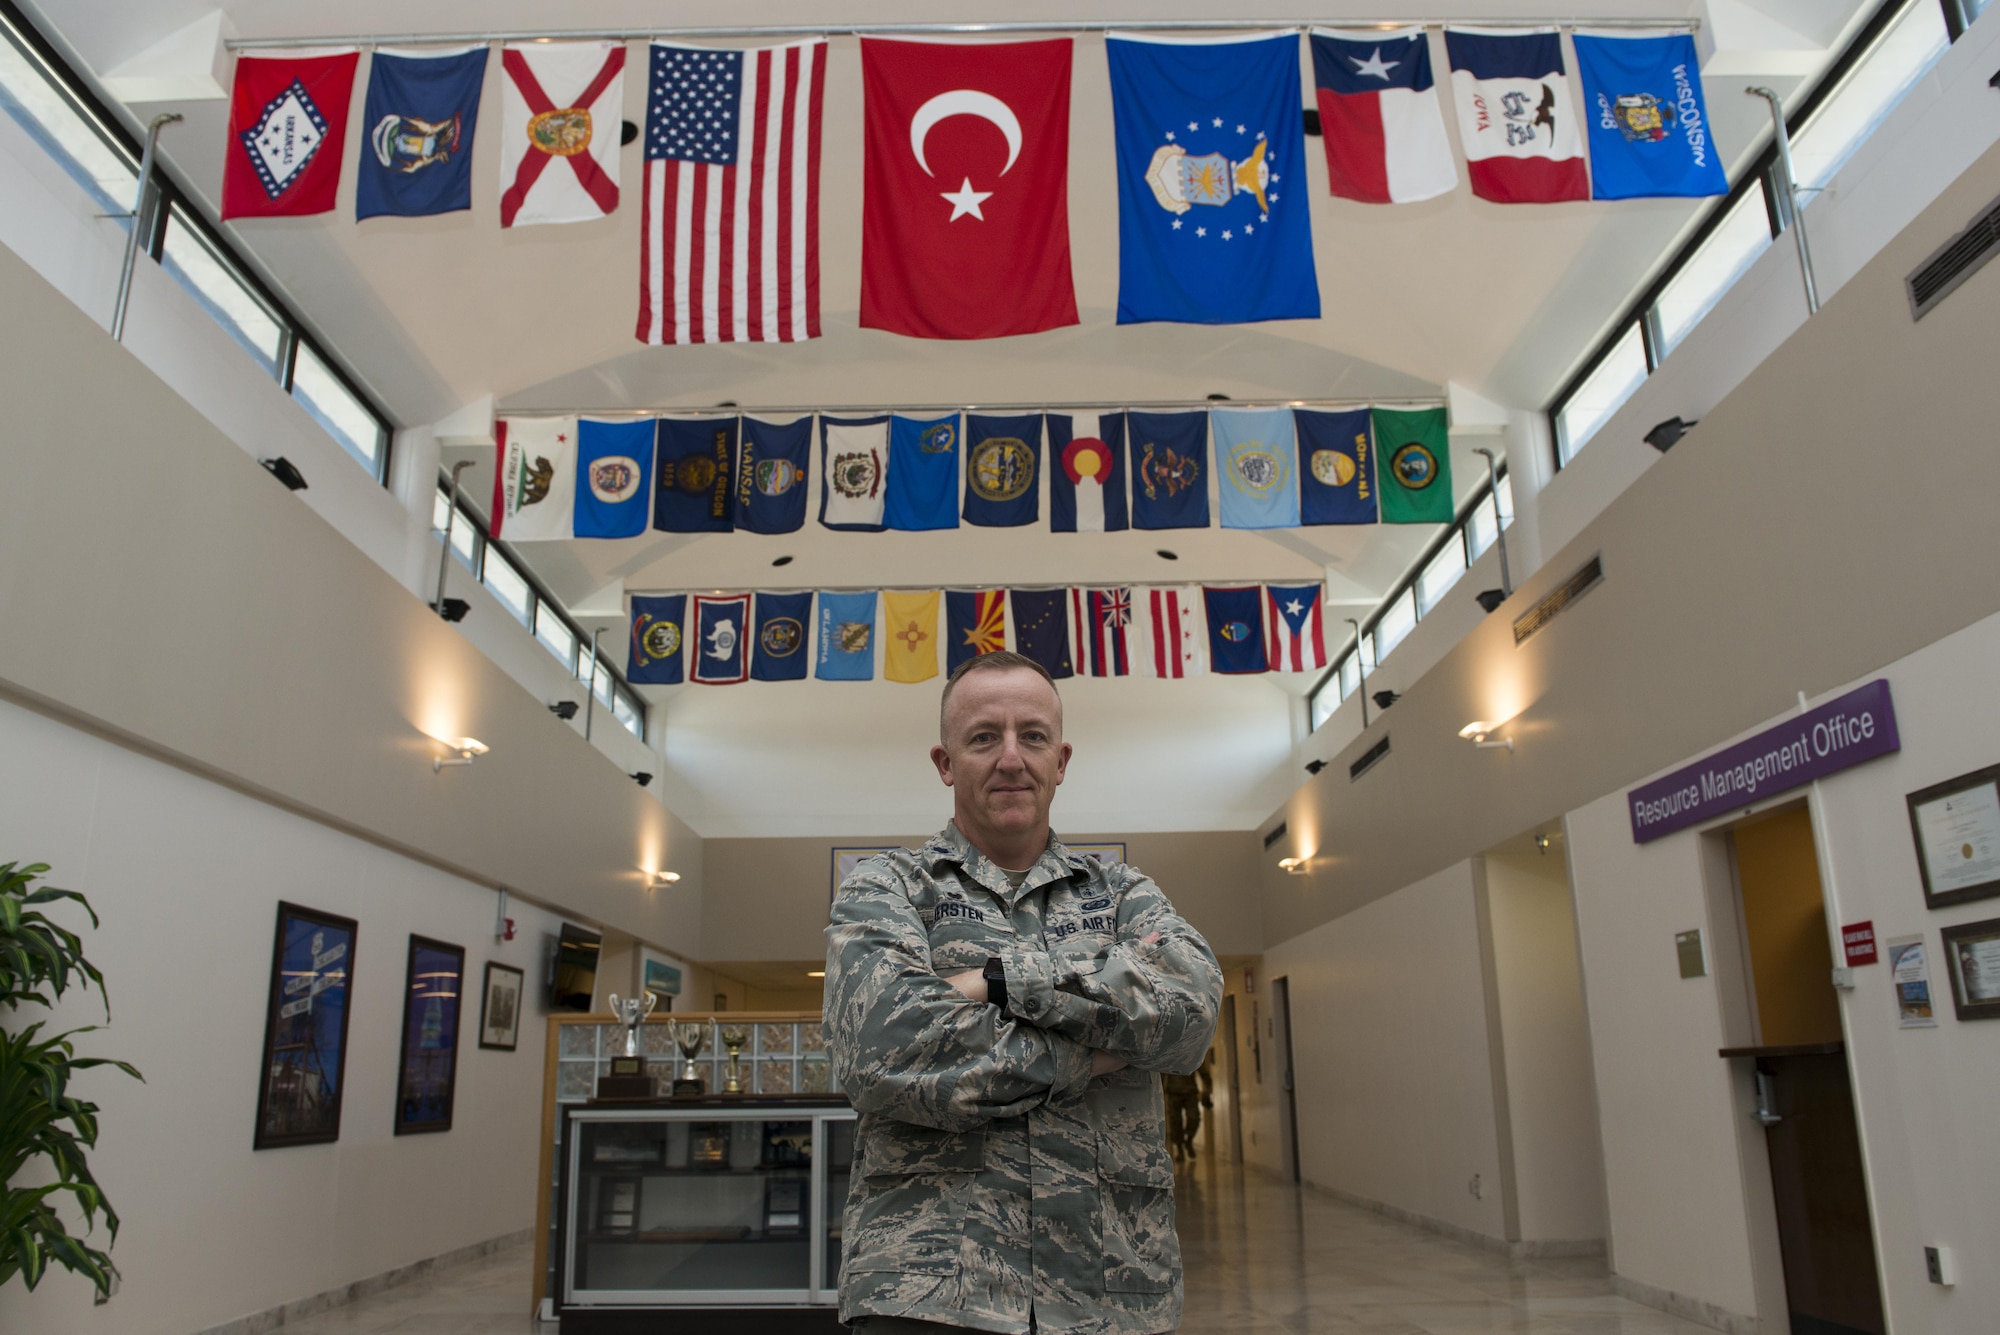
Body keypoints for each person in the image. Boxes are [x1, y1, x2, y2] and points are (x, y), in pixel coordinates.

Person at [825, 651, 1223, 1335]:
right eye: (984, 737)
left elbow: (1191, 1006)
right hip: (931, 1290)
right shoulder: (885, 887)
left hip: (1112, 1289)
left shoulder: (1124, 893)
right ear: (945, 761)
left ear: (1061, 759)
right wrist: (1093, 1050)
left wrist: (1001, 980)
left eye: (1032, 735)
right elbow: (882, 1047)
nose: (1011, 757)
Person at [1161, 1048, 1214, 1162]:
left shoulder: (1193, 1052)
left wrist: (1208, 1088)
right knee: (1176, 1122)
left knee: (1194, 1118)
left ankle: (1188, 1140)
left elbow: (1203, 1070)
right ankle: (1180, 1149)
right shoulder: (1170, 1053)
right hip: (1173, 1092)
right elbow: (1162, 1073)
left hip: (1190, 1091)